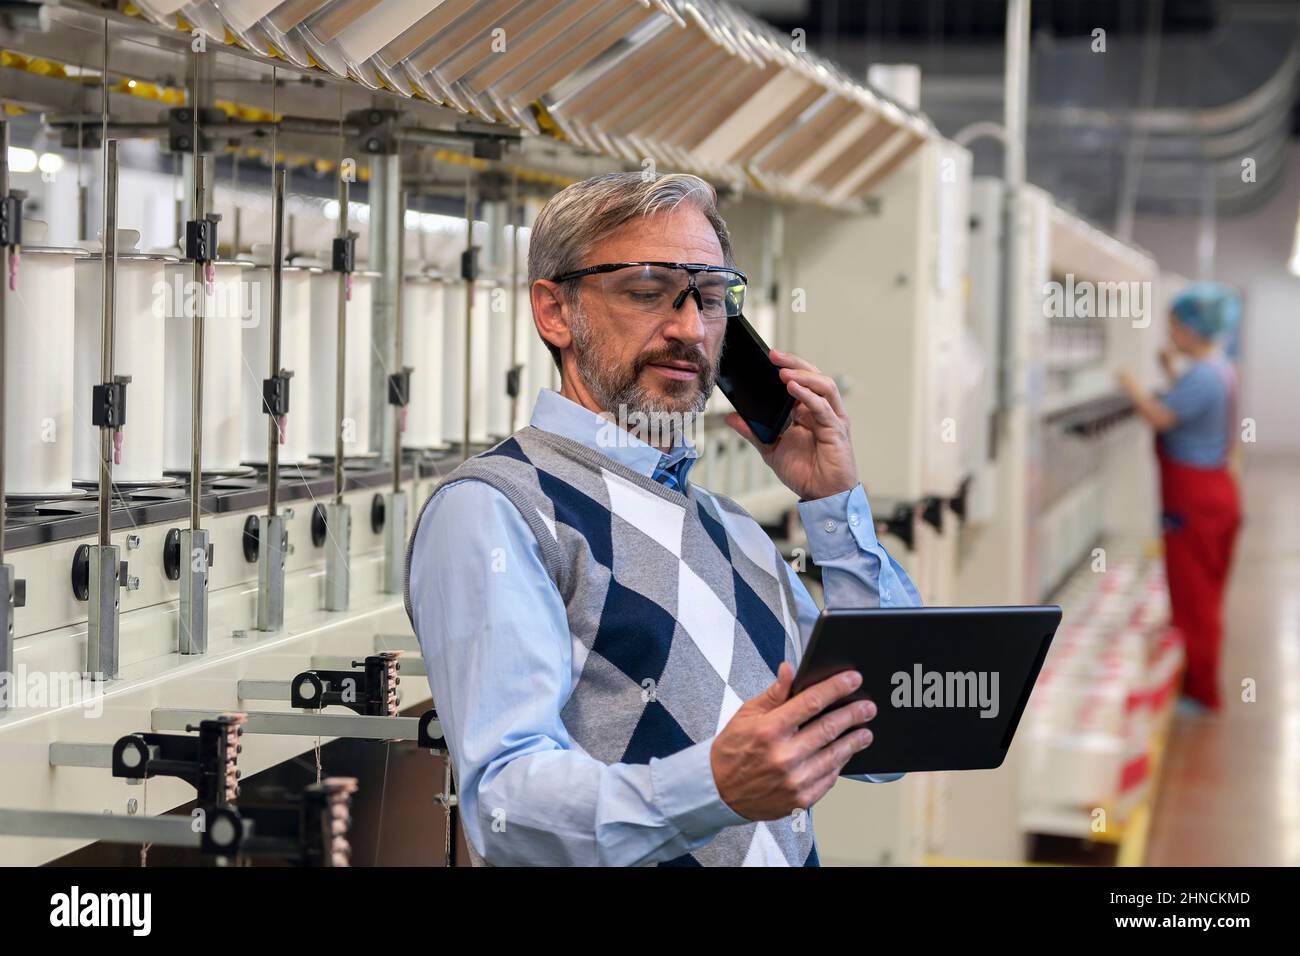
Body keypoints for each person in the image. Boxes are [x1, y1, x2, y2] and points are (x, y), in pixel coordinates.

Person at [404, 172, 920, 866]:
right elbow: (505, 806)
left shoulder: (731, 529)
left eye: (709, 298)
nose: (687, 329)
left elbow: (887, 735)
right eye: (648, 292)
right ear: (554, 310)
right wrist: (714, 785)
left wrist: (834, 506)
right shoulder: (497, 509)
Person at [1117, 282, 1242, 712]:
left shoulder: (1205, 376)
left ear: (1192, 328)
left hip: (1194, 500)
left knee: (1195, 598)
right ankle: (1196, 681)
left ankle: (1201, 692)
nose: (1170, 335)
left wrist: (1130, 384)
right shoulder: (1219, 369)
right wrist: (1170, 373)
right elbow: (1189, 406)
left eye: (1173, 327)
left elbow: (1162, 416)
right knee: (1203, 591)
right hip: (1214, 492)